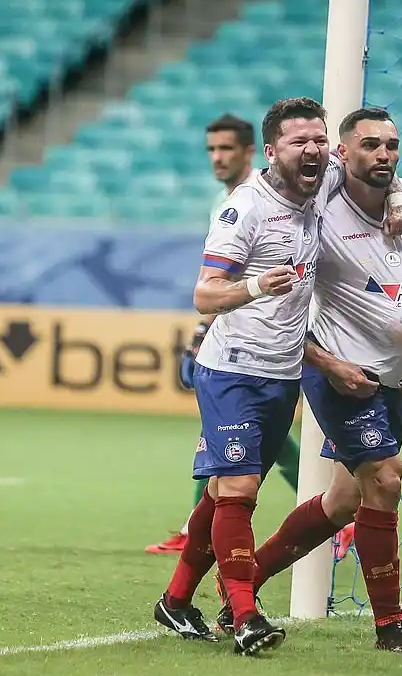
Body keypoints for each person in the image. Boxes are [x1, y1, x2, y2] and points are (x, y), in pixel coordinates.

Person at [152, 97, 402, 656]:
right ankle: (245, 615)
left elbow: (375, 167)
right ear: (271, 152)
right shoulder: (244, 208)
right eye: (300, 142)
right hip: (232, 368)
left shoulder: (322, 183)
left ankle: (175, 600)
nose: (314, 150)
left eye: (320, 140)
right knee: (240, 490)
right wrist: (254, 286)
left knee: (223, 492)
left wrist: (395, 199)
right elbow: (204, 295)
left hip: (284, 372)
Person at [214, 107, 402, 654]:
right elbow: (286, 305)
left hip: (392, 374)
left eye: (391, 145)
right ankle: (391, 625)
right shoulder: (316, 206)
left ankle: (240, 585)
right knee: (386, 479)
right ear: (343, 153)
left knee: (343, 501)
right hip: (341, 372)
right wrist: (328, 364)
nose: (383, 154)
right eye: (369, 145)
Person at [146, 113, 303, 556]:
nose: (217, 157)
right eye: (212, 149)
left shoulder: (263, 198)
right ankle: (194, 530)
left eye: (226, 148)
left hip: (272, 339)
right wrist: (204, 328)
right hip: (234, 338)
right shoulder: (224, 201)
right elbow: (220, 281)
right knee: (231, 436)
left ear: (251, 151)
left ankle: (332, 510)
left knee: (242, 439)